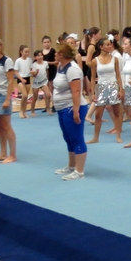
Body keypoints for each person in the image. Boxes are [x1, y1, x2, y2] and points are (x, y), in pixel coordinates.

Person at [52, 43, 89, 181]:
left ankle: (80, 171)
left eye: (56, 52)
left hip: (71, 108)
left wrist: (75, 110)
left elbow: (76, 91)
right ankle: (72, 165)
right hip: (62, 108)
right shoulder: (61, 66)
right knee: (68, 137)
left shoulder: (72, 69)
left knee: (76, 138)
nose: (54, 54)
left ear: (62, 54)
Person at [87, 38, 124, 143]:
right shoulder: (95, 61)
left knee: (117, 112)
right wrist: (93, 93)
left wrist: (120, 89)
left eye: (110, 44)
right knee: (98, 114)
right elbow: (93, 78)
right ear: (101, 47)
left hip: (113, 86)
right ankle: (95, 137)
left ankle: (118, 136)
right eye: (107, 45)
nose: (110, 46)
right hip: (101, 87)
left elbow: (118, 75)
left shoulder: (114, 59)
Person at [29, 49, 52, 116]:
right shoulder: (34, 65)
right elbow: (33, 75)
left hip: (44, 82)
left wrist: (47, 80)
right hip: (36, 83)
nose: (40, 57)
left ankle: (48, 108)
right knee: (35, 98)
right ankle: (32, 111)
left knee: (48, 95)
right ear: (35, 57)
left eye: (41, 55)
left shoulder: (45, 63)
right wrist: (36, 72)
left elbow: (47, 71)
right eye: (38, 56)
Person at [14, 45, 32, 119]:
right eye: (25, 52)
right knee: (24, 95)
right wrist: (21, 79)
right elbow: (16, 72)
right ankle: (21, 111)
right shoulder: (18, 60)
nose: (27, 53)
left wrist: (34, 72)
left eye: (28, 52)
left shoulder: (29, 60)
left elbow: (30, 69)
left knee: (26, 97)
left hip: (28, 78)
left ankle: (25, 112)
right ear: (21, 52)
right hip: (21, 79)